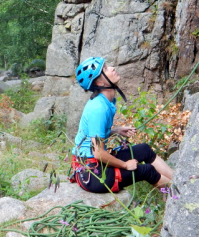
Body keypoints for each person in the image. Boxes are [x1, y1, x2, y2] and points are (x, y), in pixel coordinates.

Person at [70, 57, 173, 193]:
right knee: (146, 171)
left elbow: (93, 134)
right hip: (93, 173)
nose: (112, 68)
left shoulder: (104, 101)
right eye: (105, 69)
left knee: (144, 150)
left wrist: (116, 131)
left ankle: (179, 181)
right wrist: (125, 165)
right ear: (99, 82)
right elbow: (99, 153)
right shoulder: (99, 109)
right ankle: (182, 196)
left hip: (94, 164)